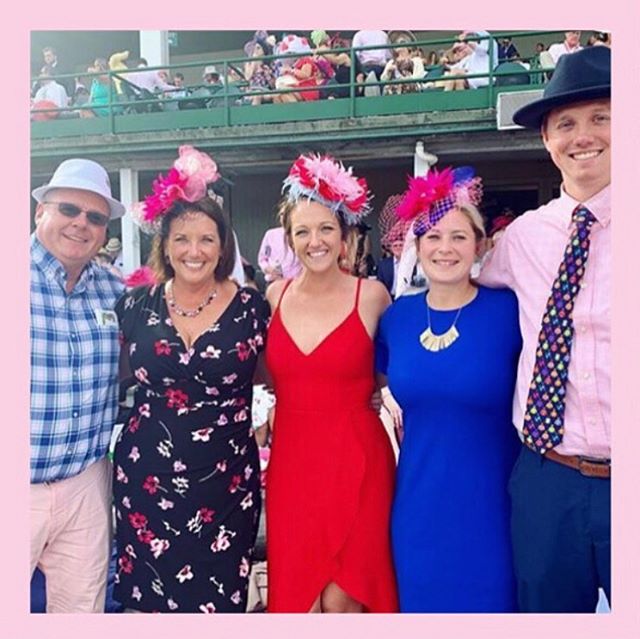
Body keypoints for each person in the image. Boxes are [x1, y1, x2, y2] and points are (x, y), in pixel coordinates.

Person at [478, 46, 611, 612]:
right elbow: (455, 277)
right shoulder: (522, 239)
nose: (582, 135)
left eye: (601, 117)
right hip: (546, 478)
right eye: (566, 123)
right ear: (546, 139)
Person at [113, 145, 269, 613]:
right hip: (146, 481)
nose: (193, 251)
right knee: (150, 606)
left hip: (224, 487)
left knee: (215, 605)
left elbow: (282, 373)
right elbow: (113, 373)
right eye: (181, 239)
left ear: (223, 246)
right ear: (163, 244)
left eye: (206, 239)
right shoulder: (135, 305)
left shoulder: (252, 308)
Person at [375, 166, 521, 612]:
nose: (445, 248)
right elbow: (369, 387)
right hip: (418, 507)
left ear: (478, 245)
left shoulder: (510, 311)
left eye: (458, 237)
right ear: (416, 247)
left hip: (495, 508)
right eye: (433, 237)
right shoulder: (395, 318)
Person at [265, 153, 398, 613]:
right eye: (302, 231)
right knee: (301, 600)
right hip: (292, 467)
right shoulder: (274, 296)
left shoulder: (373, 297)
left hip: (358, 462)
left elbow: (395, 373)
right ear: (290, 240)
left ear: (344, 236)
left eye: (325, 229)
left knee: (345, 598)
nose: (314, 241)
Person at [31, 157, 126, 612]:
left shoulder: (115, 291)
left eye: (95, 217)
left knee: (81, 610)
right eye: (69, 209)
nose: (80, 224)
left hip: (86, 484)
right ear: (40, 212)